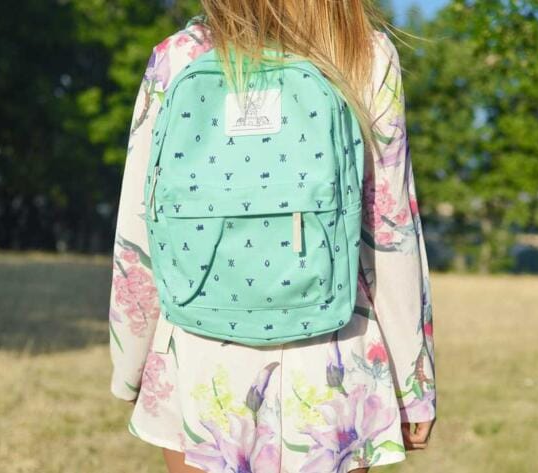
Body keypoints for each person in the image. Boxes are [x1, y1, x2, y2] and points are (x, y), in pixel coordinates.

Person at [107, 2, 436, 472]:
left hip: (198, 351)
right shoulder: (364, 51)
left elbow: (138, 227)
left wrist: (130, 364)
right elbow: (390, 226)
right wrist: (414, 381)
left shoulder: (179, 57)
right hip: (334, 358)